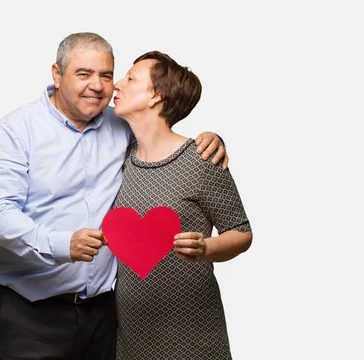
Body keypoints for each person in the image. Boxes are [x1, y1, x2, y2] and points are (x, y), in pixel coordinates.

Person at [0, 32, 228, 360]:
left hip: (105, 313)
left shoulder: (122, 125)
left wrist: (209, 139)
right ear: (57, 74)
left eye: (106, 75)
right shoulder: (15, 131)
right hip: (31, 314)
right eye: (83, 74)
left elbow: (162, 138)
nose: (97, 85)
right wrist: (61, 243)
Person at [110, 50, 253, 359]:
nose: (116, 84)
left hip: (192, 337)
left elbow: (241, 232)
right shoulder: (119, 159)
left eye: (130, 78)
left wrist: (206, 249)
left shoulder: (201, 159)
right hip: (131, 338)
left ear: (156, 96)